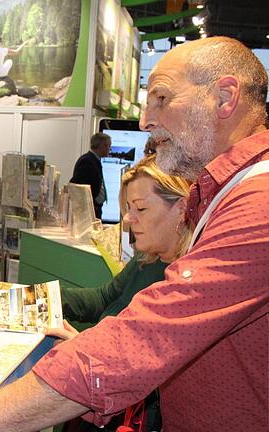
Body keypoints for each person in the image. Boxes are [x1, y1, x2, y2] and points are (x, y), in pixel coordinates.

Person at [0, 36, 269, 432]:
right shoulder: (230, 194)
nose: (145, 120)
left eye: (162, 98)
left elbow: (145, 338)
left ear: (224, 98)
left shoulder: (265, 203)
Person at [46, 154, 192, 432]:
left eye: (140, 209)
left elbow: (151, 372)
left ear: (182, 208)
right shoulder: (147, 258)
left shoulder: (186, 281)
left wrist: (85, 350)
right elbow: (104, 298)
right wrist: (43, 298)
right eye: (127, 208)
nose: (127, 219)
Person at [70, 132, 111, 219]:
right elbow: (76, 185)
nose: (109, 149)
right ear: (101, 146)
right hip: (88, 211)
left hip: (94, 208)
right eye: (107, 146)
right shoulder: (87, 161)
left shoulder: (94, 160)